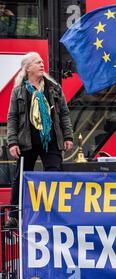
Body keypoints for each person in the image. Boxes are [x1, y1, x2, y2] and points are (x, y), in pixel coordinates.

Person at [6, 52, 74, 228]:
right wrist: (12, 142)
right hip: (26, 142)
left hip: (50, 140)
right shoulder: (18, 91)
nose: (42, 65)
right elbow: (12, 118)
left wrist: (68, 136)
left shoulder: (54, 88)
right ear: (28, 68)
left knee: (54, 174)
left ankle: (55, 213)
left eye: (43, 62)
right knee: (20, 177)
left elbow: (64, 114)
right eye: (38, 63)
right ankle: (14, 215)